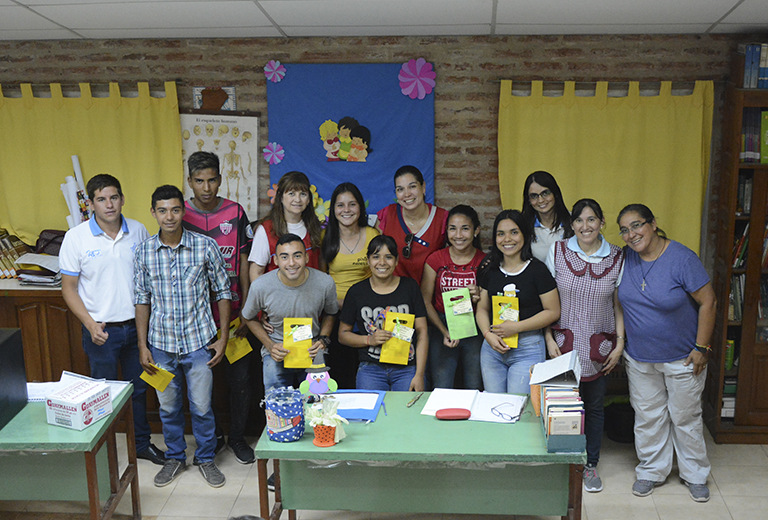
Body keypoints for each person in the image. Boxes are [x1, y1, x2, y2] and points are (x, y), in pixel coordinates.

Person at [59, 174, 164, 466]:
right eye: (102, 199)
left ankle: (141, 444)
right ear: (91, 203)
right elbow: (68, 289)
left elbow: (148, 279)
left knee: (139, 391)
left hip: (137, 328)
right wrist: (90, 324)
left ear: (122, 199)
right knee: (101, 394)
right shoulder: (76, 237)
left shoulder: (139, 230)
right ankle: (105, 452)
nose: (109, 205)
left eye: (114, 197)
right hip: (100, 332)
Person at [616, 204, 716, 503]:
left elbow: (708, 302)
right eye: (624, 230)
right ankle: (651, 471)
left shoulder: (682, 258)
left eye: (637, 226)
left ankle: (695, 474)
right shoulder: (625, 258)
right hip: (640, 357)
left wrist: (701, 347)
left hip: (682, 357)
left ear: (653, 224)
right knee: (648, 417)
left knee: (685, 418)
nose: (631, 235)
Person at [134, 185, 231, 489]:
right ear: (153, 213)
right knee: (168, 407)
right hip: (160, 346)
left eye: (175, 209)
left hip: (199, 344)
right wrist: (143, 345)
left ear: (183, 211)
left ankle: (205, 458)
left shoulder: (204, 246)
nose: (169, 216)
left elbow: (223, 292)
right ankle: (175, 457)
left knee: (202, 406)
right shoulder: (144, 251)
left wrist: (223, 336)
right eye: (162, 210)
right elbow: (141, 299)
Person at [544, 198, 625, 493]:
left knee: (593, 406)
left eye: (591, 219)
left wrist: (619, 345)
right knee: (561, 407)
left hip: (599, 346)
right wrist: (547, 338)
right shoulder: (558, 251)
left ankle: (590, 465)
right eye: (579, 220)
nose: (585, 226)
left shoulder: (618, 257)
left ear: (602, 222)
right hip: (562, 343)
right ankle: (562, 464)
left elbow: (619, 306)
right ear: (572, 224)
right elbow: (546, 300)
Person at [183, 151, 255, 464]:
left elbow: (243, 264)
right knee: (203, 386)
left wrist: (247, 310)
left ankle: (238, 438)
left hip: (235, 315)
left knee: (240, 381)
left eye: (212, 179)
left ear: (220, 180)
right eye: (199, 181)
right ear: (190, 182)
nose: (206, 186)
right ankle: (212, 439)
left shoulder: (235, 212)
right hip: (196, 319)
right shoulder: (179, 214)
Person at [475, 209, 560, 394]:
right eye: (501, 233)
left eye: (514, 232)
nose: (507, 239)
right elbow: (481, 309)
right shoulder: (490, 269)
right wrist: (488, 336)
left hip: (527, 347)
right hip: (492, 348)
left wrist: (517, 327)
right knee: (494, 408)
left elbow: (553, 311)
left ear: (525, 234)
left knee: (519, 409)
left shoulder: (538, 270)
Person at [241, 233, 338, 391]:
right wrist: (270, 345)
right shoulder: (261, 286)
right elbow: (248, 318)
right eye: (284, 257)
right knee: (277, 408)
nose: (291, 263)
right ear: (276, 260)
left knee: (316, 407)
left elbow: (331, 313)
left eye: (297, 256)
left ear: (306, 257)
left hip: (312, 350)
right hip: (277, 352)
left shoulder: (325, 282)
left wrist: (323, 340)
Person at [338, 235, 428, 392]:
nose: (382, 262)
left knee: (406, 413)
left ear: (397, 260)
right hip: (371, 369)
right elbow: (343, 335)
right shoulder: (356, 292)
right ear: (368, 261)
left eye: (388, 257)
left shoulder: (409, 287)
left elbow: (422, 332)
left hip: (407, 368)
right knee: (371, 415)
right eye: (375, 257)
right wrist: (369, 339)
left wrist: (419, 374)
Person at [320, 182, 379, 388]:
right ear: (333, 210)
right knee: (340, 372)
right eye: (340, 205)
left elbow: (381, 274)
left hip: (368, 313)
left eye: (352, 205)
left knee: (367, 369)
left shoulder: (372, 235)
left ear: (360, 207)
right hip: (335, 313)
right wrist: (335, 304)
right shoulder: (325, 238)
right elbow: (321, 278)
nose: (346, 210)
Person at [421, 204, 485, 390]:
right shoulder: (436, 260)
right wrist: (443, 331)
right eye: (452, 228)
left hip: (474, 326)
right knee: (441, 385)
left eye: (465, 228)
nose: (458, 235)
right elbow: (425, 300)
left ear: (476, 231)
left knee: (475, 384)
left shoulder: (485, 261)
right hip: (441, 325)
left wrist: (480, 296)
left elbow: (491, 302)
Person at [376, 165, 447, 284]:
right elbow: (375, 257)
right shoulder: (387, 215)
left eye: (412, 187)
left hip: (431, 295)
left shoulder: (442, 218)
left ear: (423, 187)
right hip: (393, 293)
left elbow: (456, 256)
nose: (407, 194)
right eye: (400, 189)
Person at [248, 171, 322, 282]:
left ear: (308, 200)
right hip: (276, 297)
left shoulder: (314, 226)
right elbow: (256, 272)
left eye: (303, 194)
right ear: (281, 198)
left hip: (311, 296)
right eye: (291, 194)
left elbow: (320, 267)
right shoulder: (266, 229)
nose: (297, 199)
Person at [521, 170, 573, 262]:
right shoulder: (522, 226)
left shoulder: (574, 220)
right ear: (528, 200)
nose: (540, 200)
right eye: (534, 196)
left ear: (555, 193)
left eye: (545, 193)